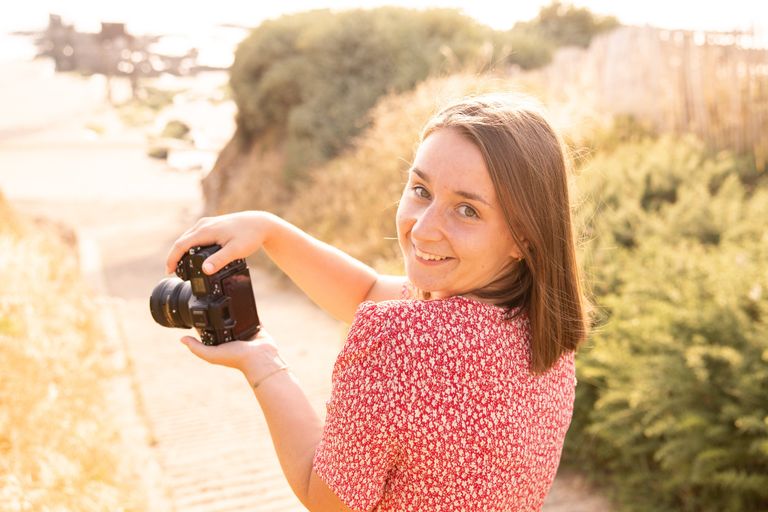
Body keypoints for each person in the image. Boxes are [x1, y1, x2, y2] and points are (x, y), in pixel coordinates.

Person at [165, 93, 590, 512]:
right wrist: (270, 231)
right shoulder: (547, 330)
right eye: (421, 190)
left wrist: (263, 363)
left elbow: (328, 501)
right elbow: (366, 290)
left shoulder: (401, 339)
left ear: (524, 237)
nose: (422, 230)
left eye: (467, 210)